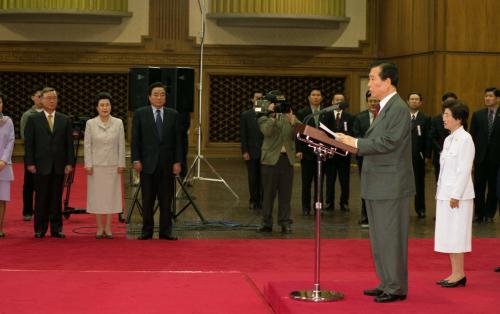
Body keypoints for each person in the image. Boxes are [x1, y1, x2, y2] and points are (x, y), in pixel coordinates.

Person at [336, 61, 414, 303]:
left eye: (372, 78)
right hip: (378, 182)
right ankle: (386, 281)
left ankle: (396, 287)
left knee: (391, 236)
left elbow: (389, 142)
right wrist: (350, 141)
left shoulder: (398, 109)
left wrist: (355, 142)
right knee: (380, 237)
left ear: (387, 82)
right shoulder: (384, 108)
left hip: (391, 184)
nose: (369, 84)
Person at [131, 82, 182, 240]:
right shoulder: (140, 114)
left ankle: (165, 232)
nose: (159, 97)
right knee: (147, 200)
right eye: (156, 94)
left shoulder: (173, 114)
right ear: (149, 97)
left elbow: (178, 141)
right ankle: (146, 231)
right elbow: (135, 140)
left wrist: (178, 162)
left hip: (167, 164)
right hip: (147, 164)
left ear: (165, 98)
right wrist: (136, 159)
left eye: (162, 94)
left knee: (166, 200)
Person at [24, 87, 74, 238]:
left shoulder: (65, 119)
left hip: (59, 165)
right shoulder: (33, 119)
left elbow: (69, 145)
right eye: (48, 98)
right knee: (41, 198)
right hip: (40, 165)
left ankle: (56, 228)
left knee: (56, 197)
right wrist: (30, 162)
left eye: (54, 98)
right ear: (41, 100)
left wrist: (69, 163)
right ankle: (40, 228)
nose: (52, 101)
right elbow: (29, 144)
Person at [435, 100, 475, 287]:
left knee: (457, 234)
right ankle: (454, 273)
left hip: (457, 197)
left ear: (458, 119)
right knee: (449, 234)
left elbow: (464, 169)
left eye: (447, 115)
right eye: (444, 114)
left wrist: (456, 195)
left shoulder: (465, 139)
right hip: (445, 194)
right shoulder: (449, 139)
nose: (444, 118)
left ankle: (459, 274)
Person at [84, 92, 126, 239]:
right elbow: (87, 145)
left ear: (111, 106)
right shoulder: (90, 123)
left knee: (110, 197)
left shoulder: (118, 123)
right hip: (96, 166)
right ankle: (99, 227)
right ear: (97, 107)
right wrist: (88, 164)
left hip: (113, 166)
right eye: (101, 105)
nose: (105, 107)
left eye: (107, 104)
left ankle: (108, 227)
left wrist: (121, 163)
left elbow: (121, 145)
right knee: (97, 197)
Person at [257, 92, 300, 234]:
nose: (279, 107)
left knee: (286, 194)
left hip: (286, 159)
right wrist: (272, 116)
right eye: (275, 105)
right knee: (268, 194)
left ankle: (285, 222)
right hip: (270, 160)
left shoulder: (289, 117)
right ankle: (266, 222)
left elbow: (300, 134)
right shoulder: (263, 117)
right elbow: (267, 132)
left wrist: (293, 121)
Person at [469, 87, 499, 223]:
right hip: (480, 158)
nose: (487, 98)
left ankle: (489, 213)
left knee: (493, 187)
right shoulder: (478, 115)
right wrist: (471, 159)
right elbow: (472, 138)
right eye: (486, 96)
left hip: (496, 159)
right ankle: (479, 213)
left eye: (491, 96)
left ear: (498, 99)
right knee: (478, 187)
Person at [352, 91, 380, 228]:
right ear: (366, 102)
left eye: (376, 101)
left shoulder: (384, 117)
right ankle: (365, 216)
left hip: (381, 158)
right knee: (366, 187)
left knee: (380, 187)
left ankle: (378, 217)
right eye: (371, 101)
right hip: (364, 158)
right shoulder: (359, 117)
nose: (373, 103)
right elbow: (356, 135)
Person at [295, 88, 324, 215]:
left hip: (321, 153)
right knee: (306, 183)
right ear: (309, 98)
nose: (316, 97)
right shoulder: (302, 113)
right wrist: (298, 150)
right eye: (313, 95)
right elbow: (298, 132)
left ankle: (318, 207)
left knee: (319, 183)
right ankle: (305, 208)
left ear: (321, 98)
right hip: (306, 152)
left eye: (318, 95)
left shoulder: (325, 113)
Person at [323, 93, 354, 212]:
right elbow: (322, 133)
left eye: (341, 100)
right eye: (337, 100)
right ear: (332, 102)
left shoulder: (349, 117)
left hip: (343, 153)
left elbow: (352, 132)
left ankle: (344, 202)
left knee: (344, 180)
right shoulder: (326, 116)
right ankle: (329, 202)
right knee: (330, 180)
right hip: (330, 153)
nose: (339, 102)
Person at [20, 84, 44, 221]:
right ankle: (28, 211)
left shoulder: (48, 114)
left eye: (43, 96)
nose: (41, 99)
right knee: (29, 184)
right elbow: (25, 137)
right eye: (39, 96)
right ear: (32, 98)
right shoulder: (28, 115)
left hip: (46, 156)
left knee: (44, 184)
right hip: (32, 155)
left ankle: (42, 210)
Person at [407, 93, 431, 218]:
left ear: (420, 102)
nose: (414, 101)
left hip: (418, 156)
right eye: (412, 99)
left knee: (419, 184)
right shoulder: (402, 116)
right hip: (402, 157)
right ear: (408, 101)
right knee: (402, 184)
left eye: (417, 99)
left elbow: (428, 138)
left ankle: (420, 208)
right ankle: (402, 209)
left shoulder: (425, 118)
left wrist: (427, 155)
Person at [240, 90, 264, 210]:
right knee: (253, 178)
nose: (259, 100)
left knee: (264, 178)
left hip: (265, 152)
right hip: (251, 150)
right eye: (257, 98)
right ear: (252, 99)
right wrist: (245, 151)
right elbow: (243, 135)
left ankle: (263, 201)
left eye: (261, 98)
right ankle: (253, 200)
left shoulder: (268, 114)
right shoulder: (246, 115)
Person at [429, 92, 457, 182]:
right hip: (440, 155)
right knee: (440, 182)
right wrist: (441, 151)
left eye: (453, 102)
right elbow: (432, 137)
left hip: (456, 156)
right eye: (448, 102)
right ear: (443, 103)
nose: (451, 105)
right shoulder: (435, 119)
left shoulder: (460, 118)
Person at [0, 93, 15, 238]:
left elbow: (11, 142)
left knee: (1, 198)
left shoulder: (8, 121)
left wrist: (3, 161)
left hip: (3, 166)